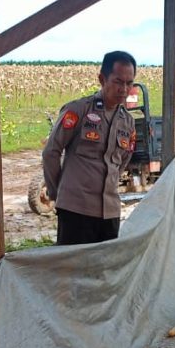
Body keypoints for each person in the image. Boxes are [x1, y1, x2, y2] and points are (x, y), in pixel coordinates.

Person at [42, 50, 138, 245]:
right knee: (71, 272)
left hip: (110, 213)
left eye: (129, 83)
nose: (124, 89)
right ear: (102, 79)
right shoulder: (78, 110)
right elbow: (51, 152)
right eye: (118, 81)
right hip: (76, 210)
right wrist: (57, 192)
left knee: (103, 273)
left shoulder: (127, 122)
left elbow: (123, 161)